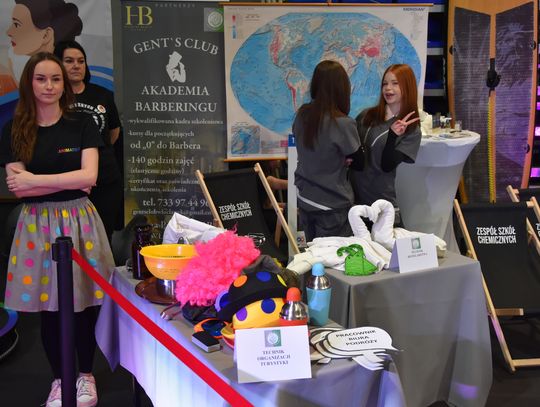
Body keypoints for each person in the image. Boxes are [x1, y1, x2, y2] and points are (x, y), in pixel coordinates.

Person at [0, 52, 113, 407]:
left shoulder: (82, 124)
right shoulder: (15, 129)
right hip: (36, 225)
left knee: (83, 306)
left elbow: (89, 177)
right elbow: (19, 189)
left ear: (64, 85)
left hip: (79, 221)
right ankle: (59, 380)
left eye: (55, 79)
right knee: (48, 308)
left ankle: (85, 376)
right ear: (29, 83)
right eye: (41, 78)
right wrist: (64, 180)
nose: (49, 86)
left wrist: (35, 180)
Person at [55, 40, 122, 244]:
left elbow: (113, 131)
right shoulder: (53, 97)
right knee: (72, 238)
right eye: (69, 61)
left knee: (103, 235)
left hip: (104, 178)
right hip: (68, 181)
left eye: (81, 61)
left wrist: (95, 152)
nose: (76, 65)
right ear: (57, 64)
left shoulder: (103, 95)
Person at [293, 60, 364, 242]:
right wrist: (345, 159)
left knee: (313, 254)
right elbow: (360, 162)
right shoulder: (343, 123)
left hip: (305, 199)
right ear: (342, 88)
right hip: (332, 204)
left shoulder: (302, 115)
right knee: (333, 257)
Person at [351, 63, 421, 226]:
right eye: (385, 84)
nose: (388, 88)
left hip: (381, 205)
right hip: (354, 202)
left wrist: (392, 136)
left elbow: (387, 165)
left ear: (407, 87)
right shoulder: (366, 115)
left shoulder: (411, 130)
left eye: (395, 83)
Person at [0, 0, 82, 95]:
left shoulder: (70, 81)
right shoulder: (12, 71)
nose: (9, 32)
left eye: (17, 24)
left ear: (46, 35)